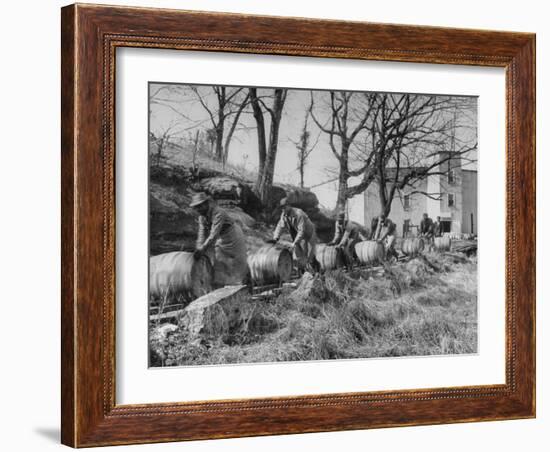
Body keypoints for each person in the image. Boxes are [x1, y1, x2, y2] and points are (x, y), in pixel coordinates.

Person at [190, 192, 248, 287]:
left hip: (232, 235)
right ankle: (223, 285)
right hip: (220, 238)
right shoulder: (201, 217)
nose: (198, 209)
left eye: (200, 206)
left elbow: (214, 233)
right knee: (219, 261)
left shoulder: (218, 212)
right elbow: (201, 233)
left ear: (206, 204)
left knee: (236, 261)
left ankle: (240, 286)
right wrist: (198, 248)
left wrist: (203, 248)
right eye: (196, 207)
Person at [270, 198, 319, 272]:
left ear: (289, 206)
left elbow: (301, 231)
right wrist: (276, 237)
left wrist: (294, 243)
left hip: (309, 234)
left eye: (284, 207)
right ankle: (302, 272)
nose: (283, 209)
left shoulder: (299, 214)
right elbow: (280, 226)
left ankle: (317, 271)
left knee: (309, 256)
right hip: (297, 235)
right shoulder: (284, 215)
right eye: (282, 208)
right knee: (299, 256)